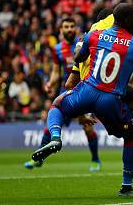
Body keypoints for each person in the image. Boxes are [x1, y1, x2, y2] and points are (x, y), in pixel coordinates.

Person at [32, 3, 133, 196]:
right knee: (131, 134)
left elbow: (79, 57)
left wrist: (80, 47)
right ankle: (127, 186)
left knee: (57, 105)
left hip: (87, 90)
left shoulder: (93, 36)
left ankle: (56, 137)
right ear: (127, 21)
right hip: (111, 99)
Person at [24, 18, 102, 172]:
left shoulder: (83, 44)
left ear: (76, 28)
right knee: (52, 125)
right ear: (61, 30)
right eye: (66, 27)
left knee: (87, 127)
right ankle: (38, 158)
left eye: (72, 26)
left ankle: (95, 159)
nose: (69, 29)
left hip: (84, 90)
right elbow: (55, 70)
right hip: (65, 91)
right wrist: (50, 83)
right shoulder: (57, 49)